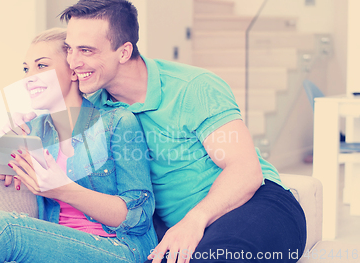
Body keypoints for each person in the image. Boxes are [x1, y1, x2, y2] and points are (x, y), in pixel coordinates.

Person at [54, 1, 306, 262]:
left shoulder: (193, 88)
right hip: (182, 228)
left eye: (86, 50)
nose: (73, 62)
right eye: (70, 49)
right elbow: (54, 149)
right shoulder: (94, 112)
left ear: (124, 51)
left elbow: (245, 171)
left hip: (256, 205)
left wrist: (193, 221)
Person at [0, 27, 157, 263]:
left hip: (119, 248)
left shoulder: (116, 123)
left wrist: (62, 189)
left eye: (41, 66)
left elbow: (139, 215)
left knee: (4, 227)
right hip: (57, 245)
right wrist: (3, 142)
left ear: (73, 72)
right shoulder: (34, 131)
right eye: (25, 68)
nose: (28, 78)